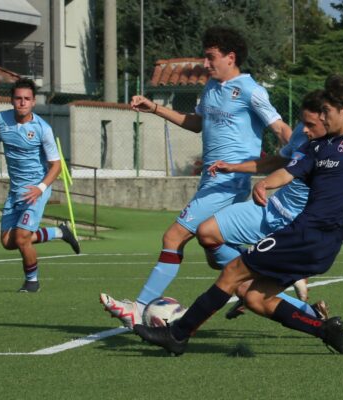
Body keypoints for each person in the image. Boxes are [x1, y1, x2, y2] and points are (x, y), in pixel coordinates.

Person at [133, 74, 343, 356]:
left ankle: (178, 335)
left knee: (234, 272)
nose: (321, 116)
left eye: (327, 110)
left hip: (314, 233)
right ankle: (325, 330)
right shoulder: (316, 146)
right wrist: (267, 184)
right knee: (254, 297)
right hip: (311, 237)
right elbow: (288, 171)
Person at [99, 26, 292, 327]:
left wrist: (304, 155)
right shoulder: (211, 87)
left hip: (229, 182)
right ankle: (294, 303)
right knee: (217, 255)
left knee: (174, 236)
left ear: (230, 57)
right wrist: (155, 109)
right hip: (210, 180)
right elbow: (196, 123)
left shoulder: (252, 90)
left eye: (210, 57)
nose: (205, 64)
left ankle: (137, 308)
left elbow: (280, 128)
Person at [198, 90, 343, 320]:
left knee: (246, 289)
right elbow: (279, 162)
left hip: (298, 226)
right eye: (304, 122)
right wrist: (235, 167)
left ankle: (310, 314)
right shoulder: (304, 132)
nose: (305, 128)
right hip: (270, 207)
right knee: (207, 233)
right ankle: (248, 280)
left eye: (314, 121)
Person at [0, 78, 80, 293]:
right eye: (18, 98)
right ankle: (59, 232)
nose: (22, 102)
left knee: (22, 237)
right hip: (15, 190)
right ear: (12, 100)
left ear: (34, 102)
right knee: (8, 242)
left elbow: (56, 166)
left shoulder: (42, 129)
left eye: (27, 99)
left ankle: (32, 282)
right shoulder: (1, 120)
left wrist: (40, 189)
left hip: (37, 189)